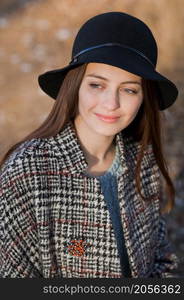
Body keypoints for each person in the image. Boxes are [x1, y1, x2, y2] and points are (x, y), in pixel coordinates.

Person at [0, 12, 179, 278]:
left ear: (144, 97)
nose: (111, 104)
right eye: (97, 85)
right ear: (75, 86)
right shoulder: (26, 172)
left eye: (129, 89)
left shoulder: (143, 161)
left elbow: (162, 263)